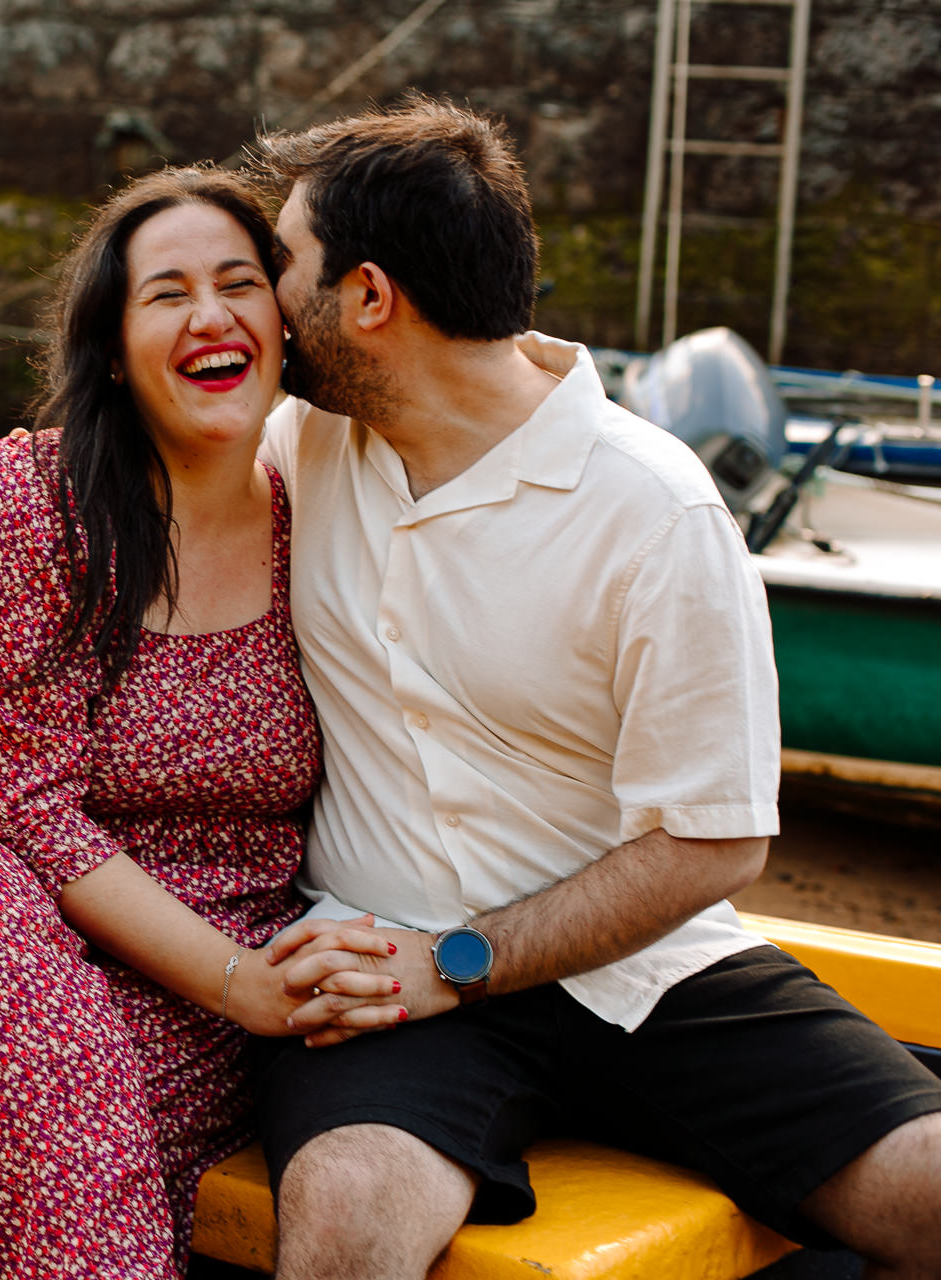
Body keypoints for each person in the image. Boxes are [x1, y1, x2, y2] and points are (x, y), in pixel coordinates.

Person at [246, 98, 941, 1279]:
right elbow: (129, 444)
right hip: (374, 958)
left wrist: (458, 961)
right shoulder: (299, 445)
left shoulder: (654, 510)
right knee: (348, 1216)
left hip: (640, 966)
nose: (263, 300)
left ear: (367, 299)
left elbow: (712, 842)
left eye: (280, 266)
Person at [0, 166, 404, 1280]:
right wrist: (237, 977)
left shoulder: (326, 510)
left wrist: (244, 981)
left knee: (77, 1102)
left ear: (285, 320)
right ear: (114, 349)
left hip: (199, 986)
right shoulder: (21, 502)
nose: (210, 313)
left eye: (237, 282)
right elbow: (12, 803)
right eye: (166, 294)